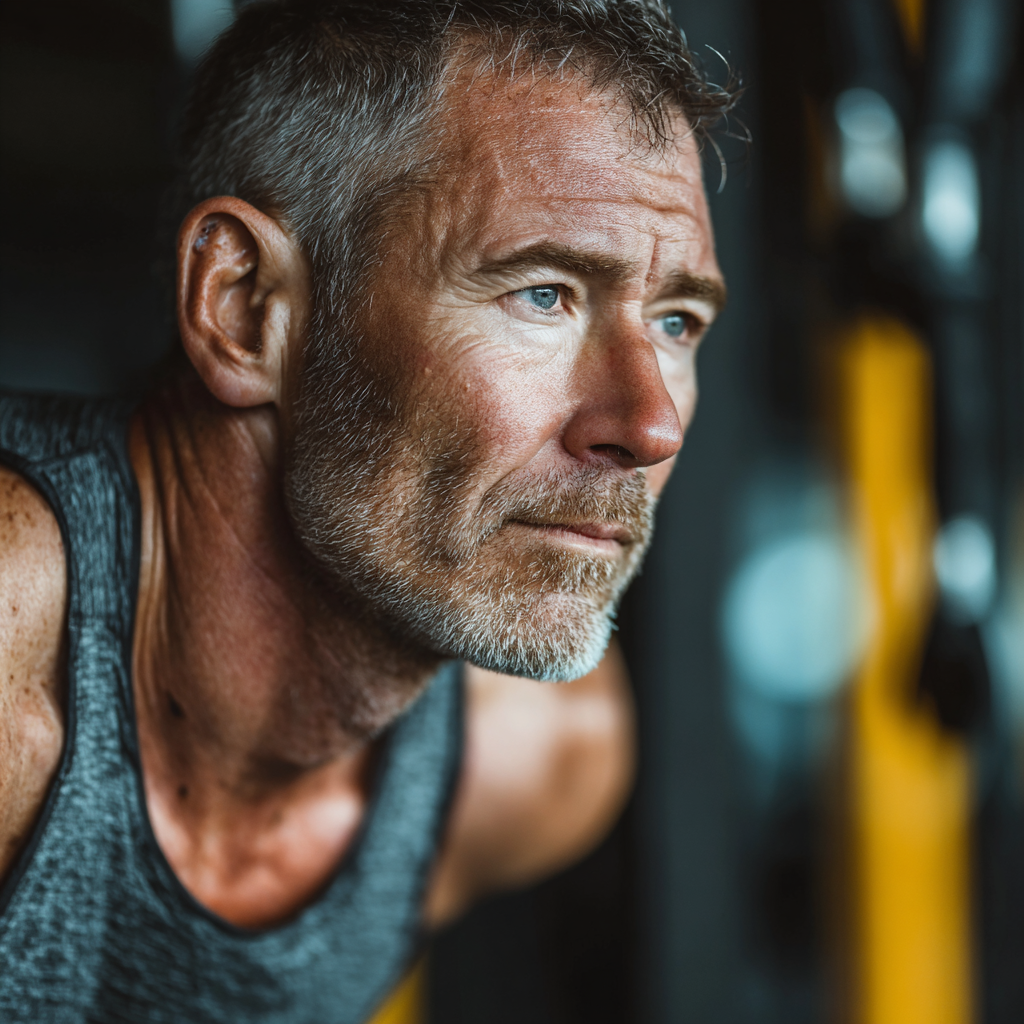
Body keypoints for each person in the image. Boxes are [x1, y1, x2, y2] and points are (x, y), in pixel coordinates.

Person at [0, 0, 730, 1019]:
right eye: (543, 293)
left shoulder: (533, 757)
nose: (650, 424)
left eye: (675, 320)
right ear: (247, 306)